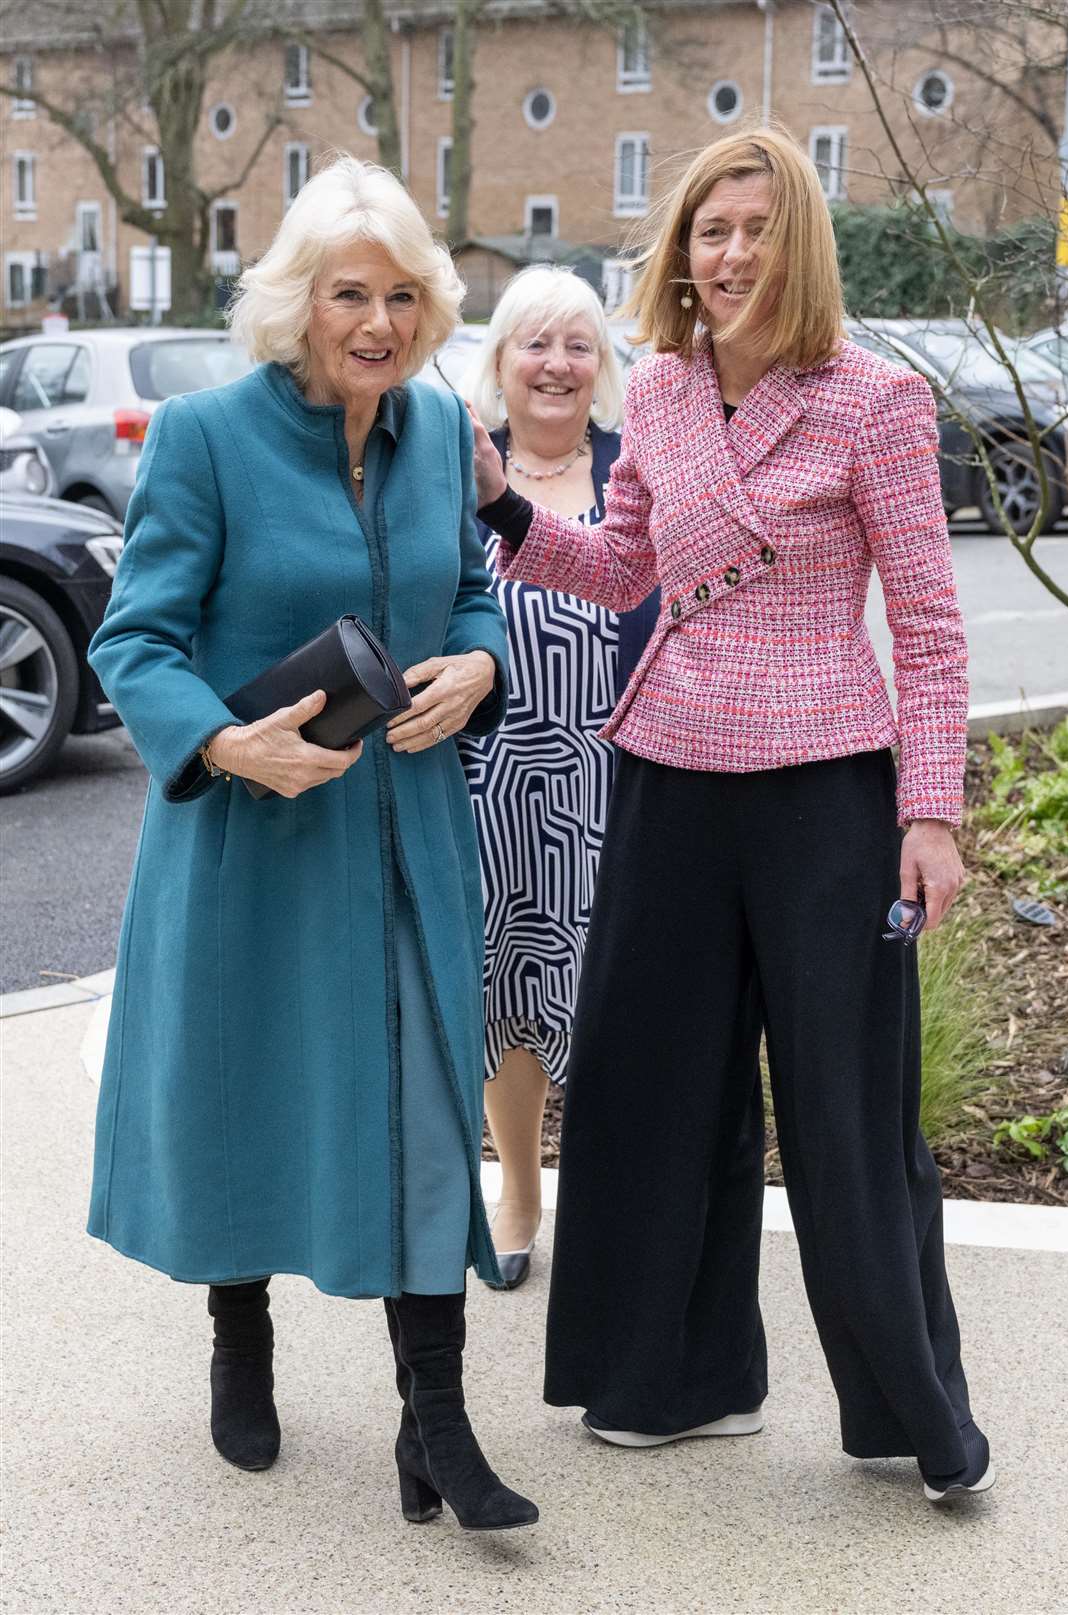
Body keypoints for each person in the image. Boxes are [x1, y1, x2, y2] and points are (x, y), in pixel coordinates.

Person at [470, 128, 993, 1504]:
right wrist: (506, 510)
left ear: (798, 241)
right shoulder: (659, 394)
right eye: (711, 229)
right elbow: (624, 562)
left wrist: (928, 815)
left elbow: (931, 627)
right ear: (682, 252)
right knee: (653, 1088)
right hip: (670, 771)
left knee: (848, 1106)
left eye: (758, 227)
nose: (733, 252)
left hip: (828, 781)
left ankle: (905, 1412)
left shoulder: (875, 400)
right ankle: (674, 1380)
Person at [86, 156, 538, 1533]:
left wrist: (480, 660)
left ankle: (439, 1423)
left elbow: (469, 589)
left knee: (420, 1109)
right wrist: (225, 742)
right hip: (257, 839)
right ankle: (241, 1329)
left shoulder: (436, 427)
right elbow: (135, 638)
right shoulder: (208, 436)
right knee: (249, 1089)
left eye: (406, 295)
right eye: (354, 292)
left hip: (408, 836)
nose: (381, 321)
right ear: (299, 301)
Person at [459, 265, 657, 1290]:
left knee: (612, 989)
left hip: (611, 782)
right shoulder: (455, 478)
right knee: (504, 982)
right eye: (535, 342)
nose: (557, 363)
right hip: (487, 778)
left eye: (578, 344)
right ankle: (520, 1182)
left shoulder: (635, 470)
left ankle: (607, 1195)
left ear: (602, 366)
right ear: (500, 360)